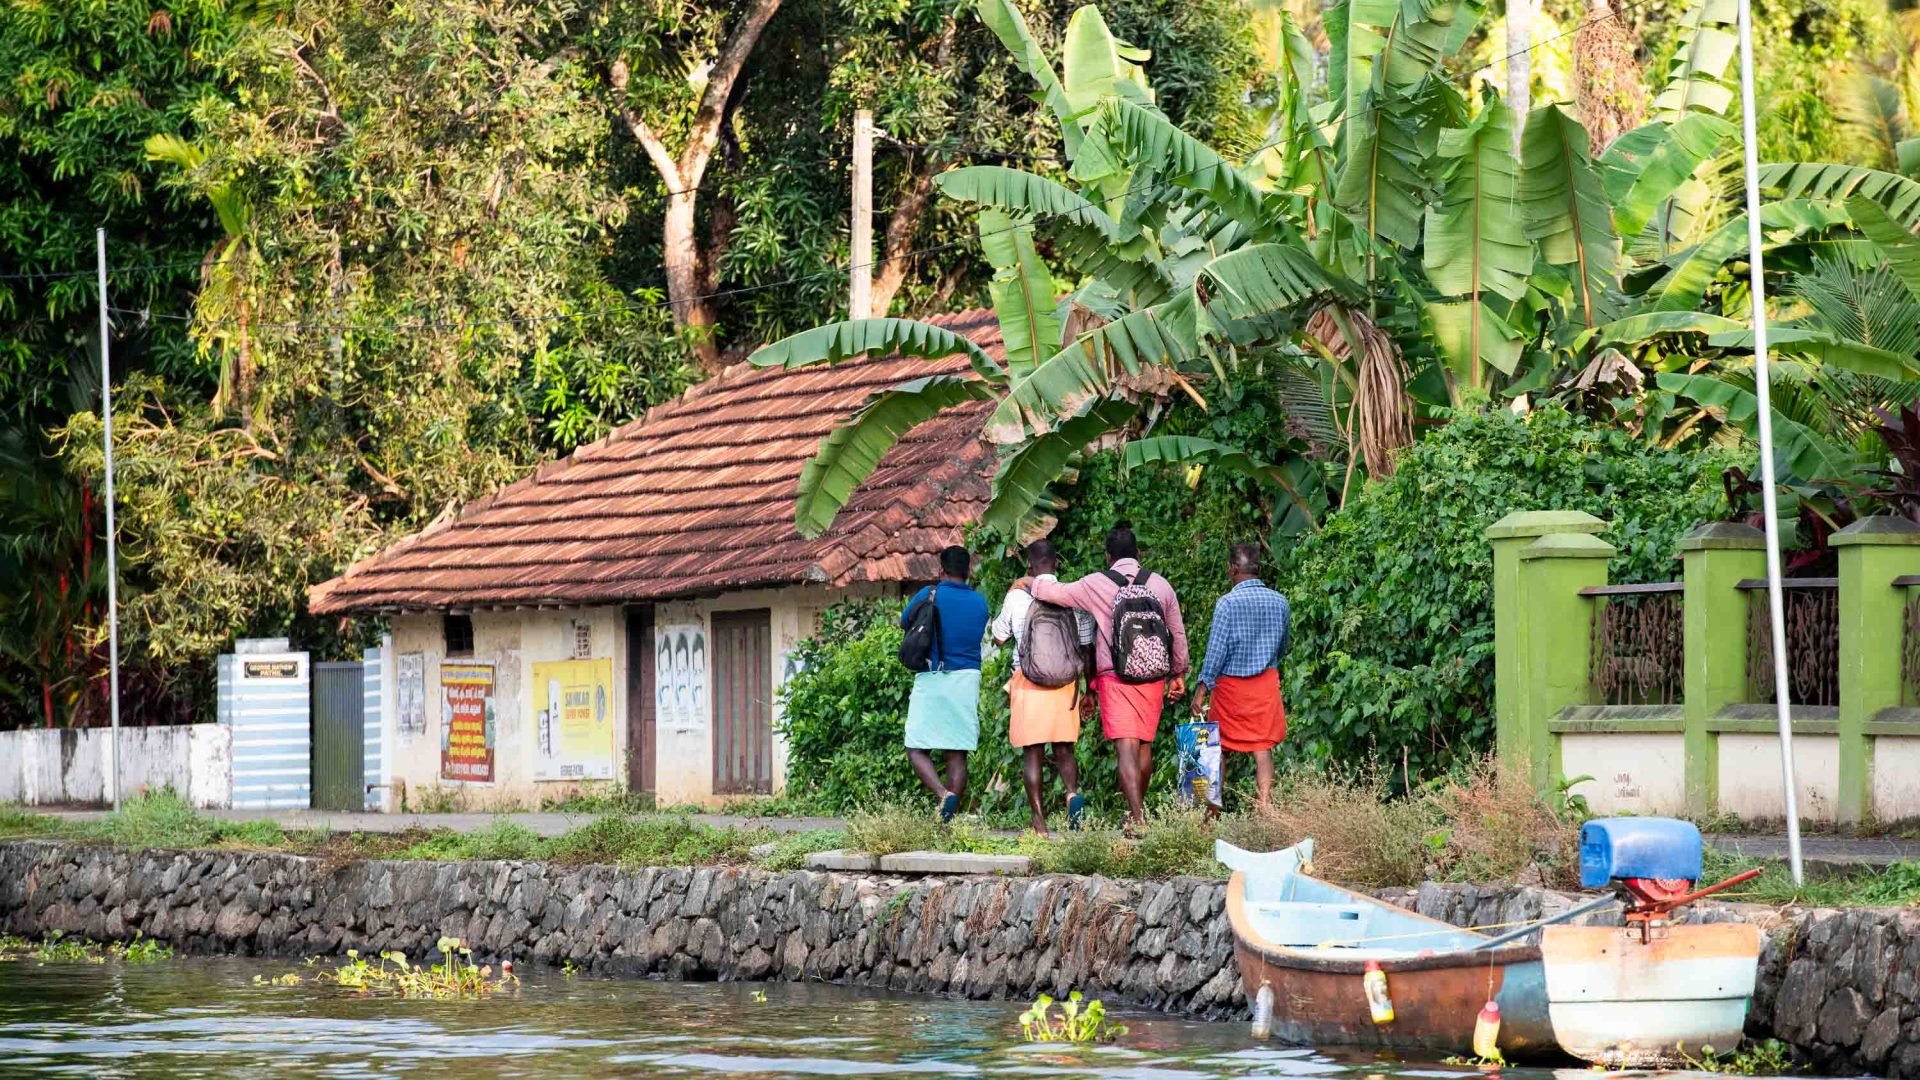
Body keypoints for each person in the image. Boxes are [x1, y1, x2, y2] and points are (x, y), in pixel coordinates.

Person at [1025, 524, 1188, 829]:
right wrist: (1178, 672)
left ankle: (1137, 817)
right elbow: (1176, 632)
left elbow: (1055, 592)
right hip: (1153, 675)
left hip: (1115, 675)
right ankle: (1135, 815)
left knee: (1125, 745)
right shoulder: (1161, 585)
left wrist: (1030, 582)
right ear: (1138, 553)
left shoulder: (1096, 584)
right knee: (1143, 746)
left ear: (1108, 555)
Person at [991, 539, 1095, 835]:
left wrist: (1014, 588)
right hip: (1065, 685)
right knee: (1065, 749)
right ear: (1056, 565)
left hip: (1028, 683)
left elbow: (998, 636)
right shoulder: (1073, 597)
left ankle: (1039, 823)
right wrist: (1089, 690)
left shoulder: (1017, 598)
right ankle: (1072, 792)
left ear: (1029, 567)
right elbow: (1086, 647)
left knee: (1032, 753)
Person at [1190, 543, 1291, 808]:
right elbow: (1283, 646)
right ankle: (1265, 807)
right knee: (1262, 747)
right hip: (1265, 685)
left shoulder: (1227, 604)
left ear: (1233, 569)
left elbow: (1215, 652)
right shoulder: (1279, 602)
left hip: (1230, 688)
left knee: (1218, 749)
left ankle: (1211, 813)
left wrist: (1201, 689)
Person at [901, 545, 990, 822]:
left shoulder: (929, 594)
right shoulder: (980, 603)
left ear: (942, 570)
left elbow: (905, 622)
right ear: (969, 571)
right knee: (957, 752)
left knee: (915, 747)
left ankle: (943, 795)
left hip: (932, 677)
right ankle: (946, 821)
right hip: (967, 679)